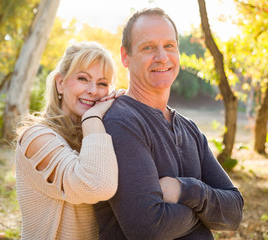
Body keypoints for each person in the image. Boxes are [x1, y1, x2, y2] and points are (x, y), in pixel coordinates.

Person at [94, 8, 244, 240]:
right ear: (125, 56)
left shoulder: (189, 128)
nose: (162, 57)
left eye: (169, 46)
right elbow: (149, 228)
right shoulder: (121, 122)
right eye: (148, 47)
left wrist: (186, 190)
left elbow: (234, 212)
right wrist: (207, 214)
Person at [14, 41, 124, 240]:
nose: (93, 90)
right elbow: (97, 186)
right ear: (60, 83)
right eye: (83, 79)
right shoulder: (36, 138)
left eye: (102, 83)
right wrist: (93, 117)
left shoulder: (99, 137)